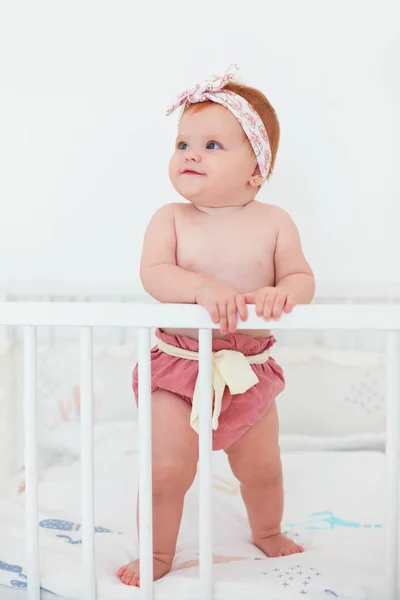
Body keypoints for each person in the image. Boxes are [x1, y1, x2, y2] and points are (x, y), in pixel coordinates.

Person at [118, 64, 315, 587]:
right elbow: (154, 274)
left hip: (248, 374)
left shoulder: (275, 222)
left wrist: (283, 292)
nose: (190, 154)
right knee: (166, 472)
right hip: (180, 370)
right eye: (183, 143)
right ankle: (158, 554)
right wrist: (201, 288)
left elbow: (301, 278)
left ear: (257, 169)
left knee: (263, 469)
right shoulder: (172, 219)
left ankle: (267, 531)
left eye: (211, 145)